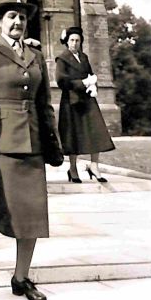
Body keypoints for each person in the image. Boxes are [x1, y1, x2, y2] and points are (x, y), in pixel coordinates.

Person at [0, 0, 63, 300]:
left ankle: (21, 278)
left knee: (32, 212)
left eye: (22, 17)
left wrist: (53, 142)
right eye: (11, 17)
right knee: (4, 206)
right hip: (0, 142)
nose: (18, 22)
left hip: (32, 142)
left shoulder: (35, 56)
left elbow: (44, 103)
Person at [55, 26, 115, 183]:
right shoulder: (62, 58)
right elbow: (61, 80)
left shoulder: (84, 57)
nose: (75, 43)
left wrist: (93, 84)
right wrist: (82, 83)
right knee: (73, 134)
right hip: (71, 101)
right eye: (72, 40)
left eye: (77, 41)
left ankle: (94, 165)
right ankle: (73, 168)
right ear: (67, 42)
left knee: (95, 131)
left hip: (88, 100)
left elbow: (90, 73)